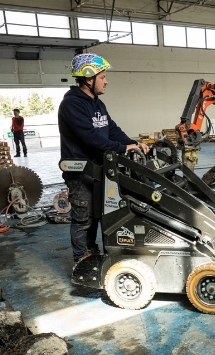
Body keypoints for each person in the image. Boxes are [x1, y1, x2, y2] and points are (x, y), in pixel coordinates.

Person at [58, 53, 148, 267]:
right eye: (103, 76)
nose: (106, 81)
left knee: (98, 215)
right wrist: (122, 148)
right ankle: (81, 259)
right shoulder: (72, 105)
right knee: (83, 218)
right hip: (81, 172)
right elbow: (90, 138)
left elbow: (112, 130)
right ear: (89, 79)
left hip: (100, 170)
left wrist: (133, 143)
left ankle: (92, 251)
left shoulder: (97, 104)